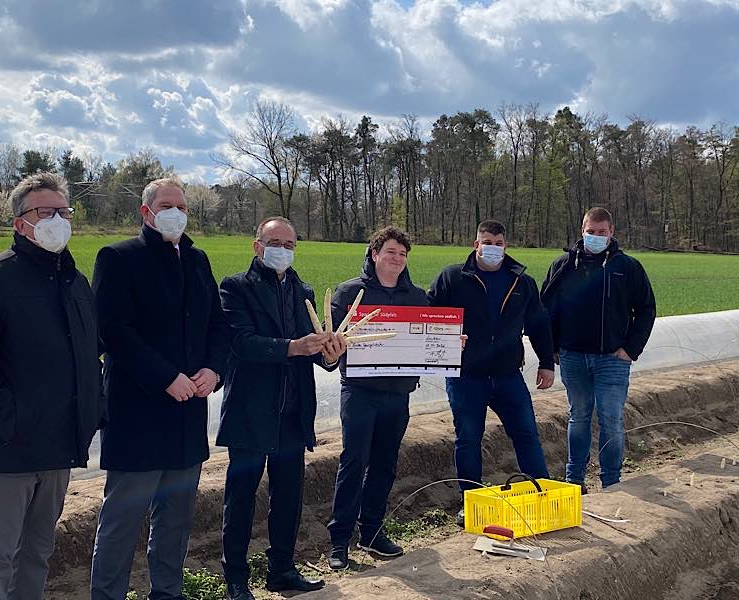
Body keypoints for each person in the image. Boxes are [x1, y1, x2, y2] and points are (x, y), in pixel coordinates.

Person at [0, 172, 105, 600]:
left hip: (57, 451)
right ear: (20, 223)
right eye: (45, 211)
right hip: (6, 452)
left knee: (36, 555)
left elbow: (89, 357)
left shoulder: (75, 283)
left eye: (63, 211)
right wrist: (13, 421)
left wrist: (92, 413)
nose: (58, 218)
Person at [90, 177, 230, 600]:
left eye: (183, 207)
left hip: (188, 413)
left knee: (176, 519)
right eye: (167, 205)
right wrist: (165, 377)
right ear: (146, 212)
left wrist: (214, 369)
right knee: (123, 517)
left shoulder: (197, 260)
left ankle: (167, 592)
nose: (176, 213)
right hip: (138, 412)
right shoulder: (119, 258)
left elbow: (218, 325)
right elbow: (114, 330)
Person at [217, 217, 346, 600]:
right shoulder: (235, 288)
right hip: (251, 410)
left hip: (292, 410)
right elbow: (240, 343)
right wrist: (292, 346)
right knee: (240, 496)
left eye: (290, 244)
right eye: (275, 242)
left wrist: (330, 355)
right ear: (257, 246)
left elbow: (317, 352)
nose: (283, 250)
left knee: (289, 496)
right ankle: (236, 579)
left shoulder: (302, 291)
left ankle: (282, 569)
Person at [428, 220, 554, 526]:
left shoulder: (522, 282)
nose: (493, 248)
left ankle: (541, 492)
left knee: (526, 434)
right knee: (468, 438)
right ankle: (470, 500)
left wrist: (547, 362)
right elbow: (429, 314)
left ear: (506, 246)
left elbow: (538, 323)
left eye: (498, 243)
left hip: (508, 374)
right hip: (466, 376)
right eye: (487, 242)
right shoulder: (453, 278)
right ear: (476, 245)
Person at [325, 226, 428, 570]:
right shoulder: (350, 293)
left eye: (402, 254)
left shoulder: (416, 296)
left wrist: (447, 346)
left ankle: (371, 531)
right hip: (360, 393)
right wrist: (331, 349)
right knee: (354, 462)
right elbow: (331, 344)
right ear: (374, 254)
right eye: (390, 252)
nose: (396, 259)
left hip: (397, 395)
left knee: (385, 464)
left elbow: (427, 341)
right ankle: (339, 541)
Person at [541, 207, 655, 492]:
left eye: (601, 232)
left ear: (611, 232)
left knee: (611, 418)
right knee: (578, 415)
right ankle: (574, 479)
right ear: (582, 231)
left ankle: (611, 481)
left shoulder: (627, 268)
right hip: (573, 356)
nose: (595, 237)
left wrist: (630, 349)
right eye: (590, 232)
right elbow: (546, 309)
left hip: (613, 359)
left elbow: (646, 310)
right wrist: (553, 348)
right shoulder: (564, 265)